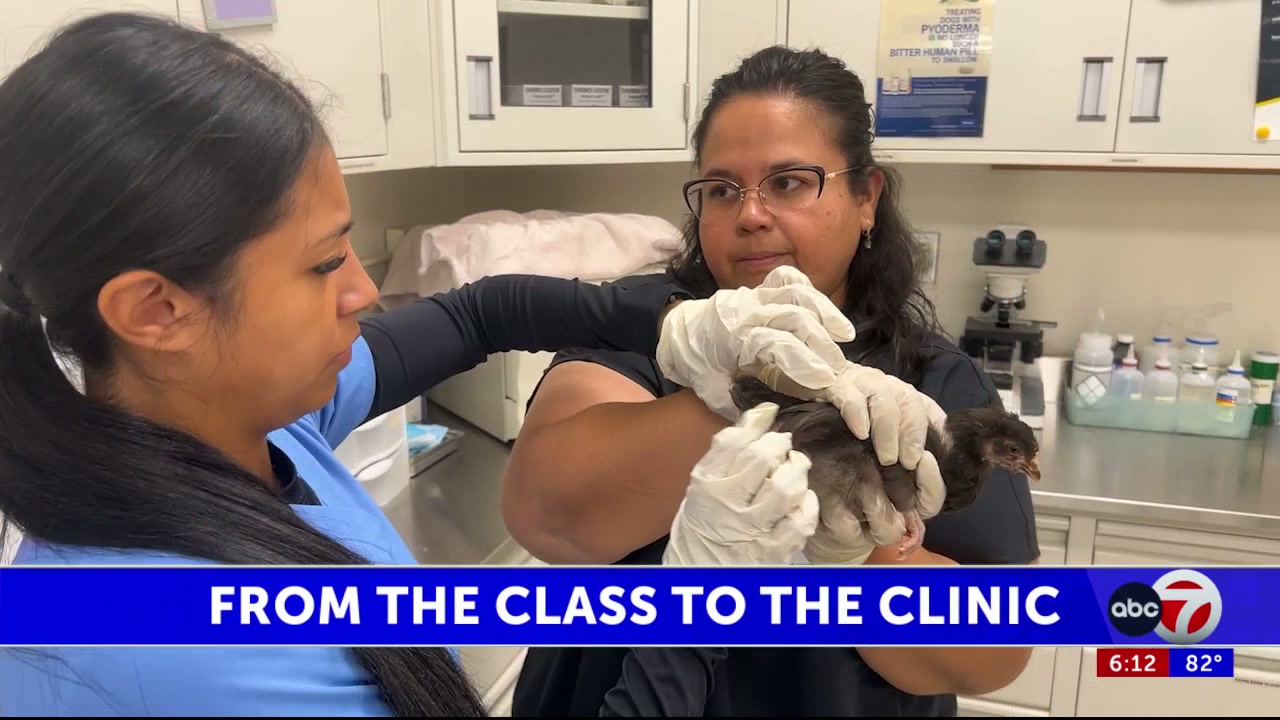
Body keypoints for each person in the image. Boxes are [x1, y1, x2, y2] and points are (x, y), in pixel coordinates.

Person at [0, 14, 893, 717]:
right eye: (322, 264)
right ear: (157, 311)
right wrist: (702, 600)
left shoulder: (252, 427)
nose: (361, 292)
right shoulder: (171, 646)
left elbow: (482, 309)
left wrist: (671, 325)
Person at [503, 45, 1042, 717]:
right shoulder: (653, 330)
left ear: (866, 198)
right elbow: (550, 514)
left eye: (789, 182)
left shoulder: (936, 383)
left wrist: (861, 551)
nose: (750, 214)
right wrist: (771, 402)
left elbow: (994, 650)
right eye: (723, 189)